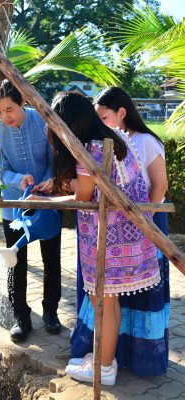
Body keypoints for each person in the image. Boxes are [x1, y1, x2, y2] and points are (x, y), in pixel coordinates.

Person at [28, 91, 161, 385]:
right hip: (125, 234)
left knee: (103, 303)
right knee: (107, 302)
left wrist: (45, 201)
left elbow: (84, 197)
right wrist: (61, 184)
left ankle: (104, 368)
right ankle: (103, 360)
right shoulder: (111, 137)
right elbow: (95, 186)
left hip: (110, 238)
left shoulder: (91, 149)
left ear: (70, 125)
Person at [71, 86, 169, 377]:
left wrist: (141, 223)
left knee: (136, 302)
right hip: (118, 225)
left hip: (144, 222)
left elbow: (159, 186)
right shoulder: (113, 139)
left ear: (121, 112)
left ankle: (131, 361)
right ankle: (113, 356)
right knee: (115, 300)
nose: (99, 123)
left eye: (103, 117)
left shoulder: (146, 141)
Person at [0, 80, 62, 343]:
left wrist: (45, 183)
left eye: (9, 109)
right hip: (14, 204)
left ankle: (51, 312)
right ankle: (21, 317)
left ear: (24, 102)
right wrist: (18, 179)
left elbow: (54, 159)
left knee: (51, 260)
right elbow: (1, 169)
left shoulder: (43, 121)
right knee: (15, 261)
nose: (4, 117)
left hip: (47, 202)